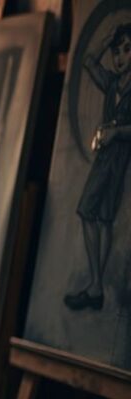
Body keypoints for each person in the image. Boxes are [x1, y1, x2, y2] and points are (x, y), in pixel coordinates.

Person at [64, 23, 131, 311]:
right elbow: (89, 61)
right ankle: (96, 285)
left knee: (101, 216)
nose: (120, 58)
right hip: (105, 156)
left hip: (118, 159)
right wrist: (106, 40)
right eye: (117, 52)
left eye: (127, 50)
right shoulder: (112, 83)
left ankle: (96, 287)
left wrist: (118, 132)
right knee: (89, 212)